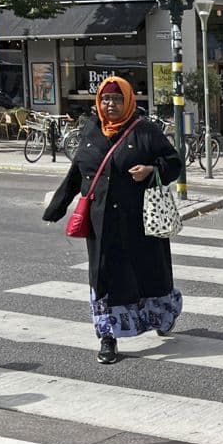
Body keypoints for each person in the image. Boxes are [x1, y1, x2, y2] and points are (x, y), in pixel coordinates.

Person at [43, 77, 184, 365]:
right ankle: (108, 337)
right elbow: (78, 172)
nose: (111, 104)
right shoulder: (90, 130)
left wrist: (151, 169)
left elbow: (174, 163)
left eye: (118, 99)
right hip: (102, 223)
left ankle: (161, 316)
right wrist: (57, 206)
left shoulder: (145, 130)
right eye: (106, 99)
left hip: (139, 222)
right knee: (104, 278)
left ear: (129, 101)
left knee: (149, 274)